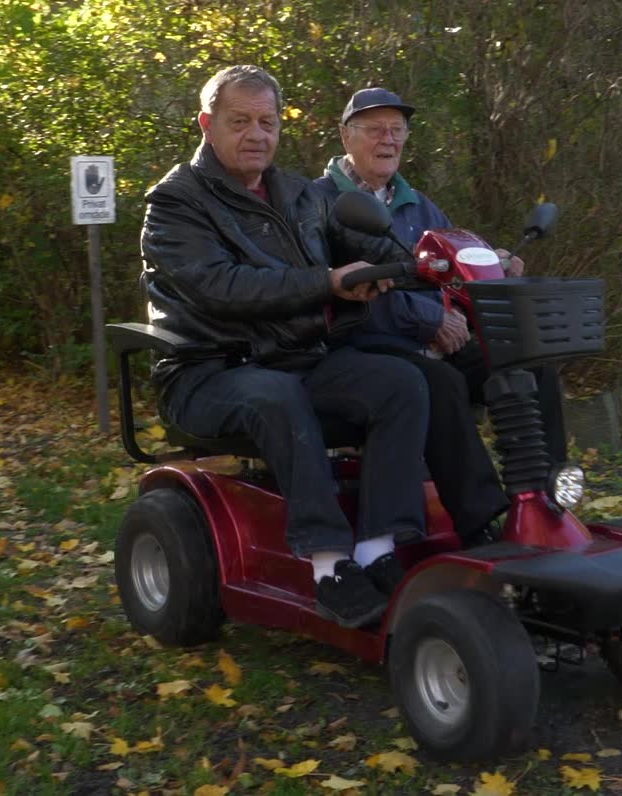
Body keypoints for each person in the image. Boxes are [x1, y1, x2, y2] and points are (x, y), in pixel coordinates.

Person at [140, 66, 428, 629]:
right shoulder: (175, 203)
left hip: (294, 360)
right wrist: (327, 282)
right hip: (207, 371)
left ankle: (377, 548)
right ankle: (329, 565)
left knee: (401, 383)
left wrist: (424, 261)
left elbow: (366, 243)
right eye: (240, 121)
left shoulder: (299, 194)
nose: (256, 134)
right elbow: (221, 287)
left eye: (267, 122)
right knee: (276, 397)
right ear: (206, 124)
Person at [314, 87, 567, 547]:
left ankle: (549, 497)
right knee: (441, 382)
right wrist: (429, 321)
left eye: (397, 129)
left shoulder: (418, 204)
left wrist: (492, 266)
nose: (389, 139)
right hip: (364, 346)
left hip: (432, 340)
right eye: (375, 129)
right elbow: (357, 286)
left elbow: (451, 269)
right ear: (346, 136)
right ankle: (480, 523)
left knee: (529, 364)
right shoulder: (320, 202)